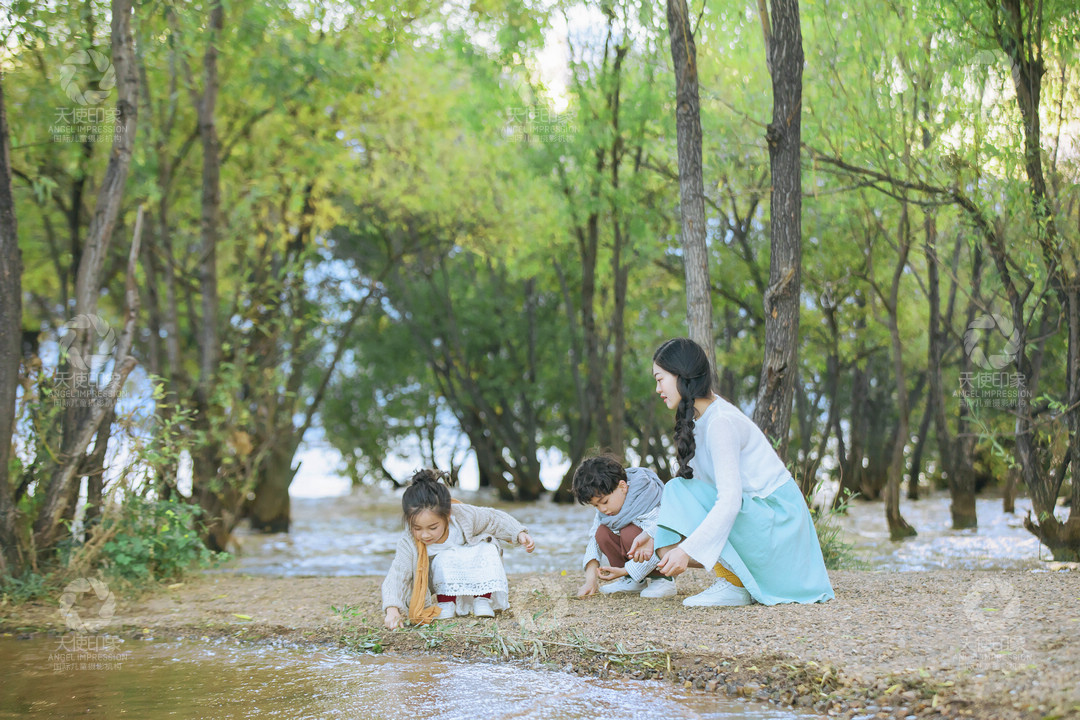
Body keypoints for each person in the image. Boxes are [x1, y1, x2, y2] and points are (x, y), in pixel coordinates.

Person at [631, 337, 834, 607]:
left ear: (681, 375)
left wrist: (686, 549)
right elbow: (702, 493)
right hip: (764, 523)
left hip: (780, 527)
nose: (657, 388)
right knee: (677, 492)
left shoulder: (720, 423)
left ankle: (734, 584)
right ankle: (733, 579)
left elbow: (728, 501)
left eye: (660, 379)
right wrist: (656, 532)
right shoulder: (701, 420)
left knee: (678, 490)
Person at [382, 469, 535, 629]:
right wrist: (392, 609)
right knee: (444, 557)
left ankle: (482, 599)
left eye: (433, 527)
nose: (425, 535)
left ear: (447, 515)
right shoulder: (409, 541)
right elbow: (397, 574)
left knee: (488, 546)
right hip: (439, 577)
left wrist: (518, 533)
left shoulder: (463, 516)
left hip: (470, 567)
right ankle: (446, 602)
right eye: (417, 528)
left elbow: (493, 519)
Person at [572, 455, 675, 599]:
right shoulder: (607, 510)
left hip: (663, 553)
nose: (602, 509)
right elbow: (594, 541)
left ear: (622, 486)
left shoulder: (646, 500)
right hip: (632, 565)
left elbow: (663, 537)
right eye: (596, 505)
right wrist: (590, 580)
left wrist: (625, 570)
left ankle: (663, 580)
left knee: (629, 532)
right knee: (602, 533)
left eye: (605, 502)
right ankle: (634, 580)